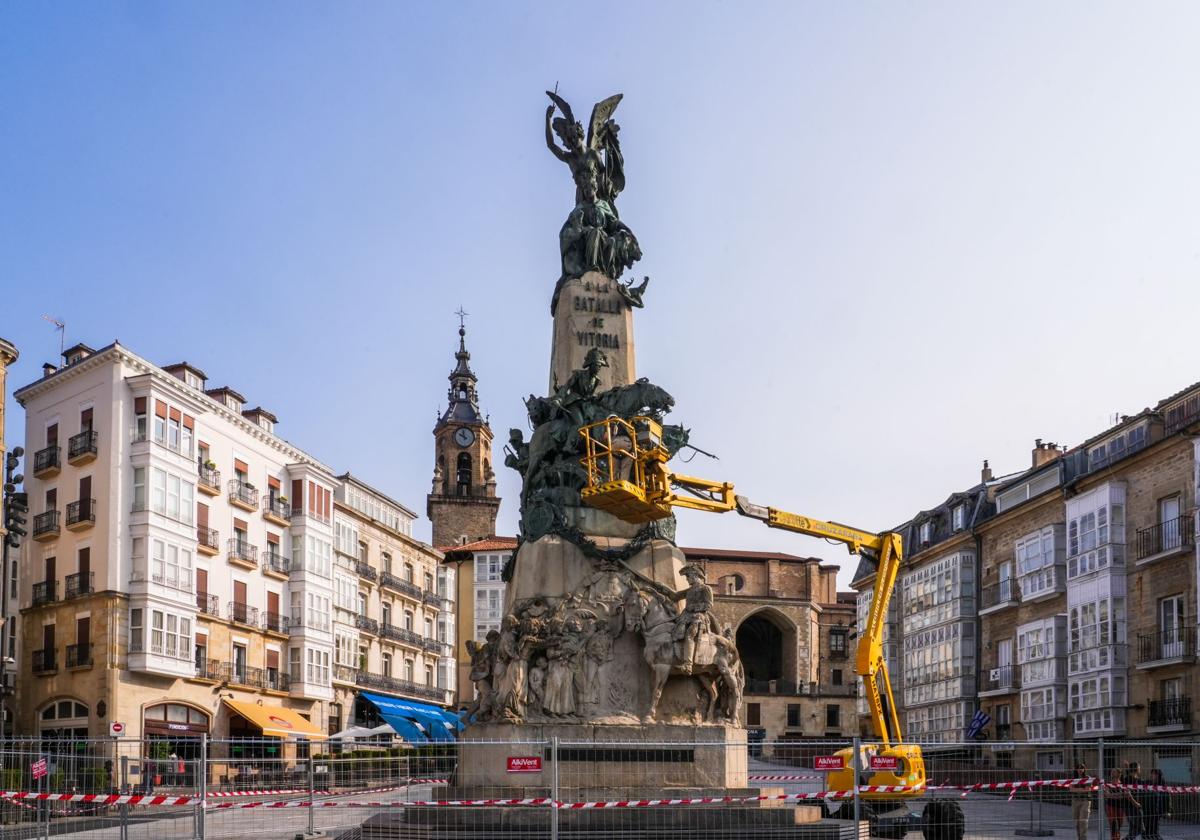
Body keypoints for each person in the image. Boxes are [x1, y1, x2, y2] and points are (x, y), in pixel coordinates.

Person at [1106, 766, 1140, 840]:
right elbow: (1107, 795)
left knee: (1119, 824)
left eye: (1114, 771)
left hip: (1120, 807)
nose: (1112, 773)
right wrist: (1121, 795)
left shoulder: (1122, 784)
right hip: (1110, 806)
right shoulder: (1108, 783)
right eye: (1112, 771)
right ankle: (1114, 838)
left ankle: (1117, 838)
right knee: (1114, 824)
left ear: (1119, 774)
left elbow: (1127, 794)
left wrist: (1135, 803)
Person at [1142, 769, 1170, 840]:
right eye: (1151, 773)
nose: (1152, 775)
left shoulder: (1162, 784)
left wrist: (1168, 810)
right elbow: (1136, 782)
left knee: (1154, 830)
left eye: (1154, 774)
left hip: (1156, 811)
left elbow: (1167, 798)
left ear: (1158, 775)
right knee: (1145, 830)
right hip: (1146, 810)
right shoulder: (1147, 782)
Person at [1069, 763, 1093, 840]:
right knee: (1077, 822)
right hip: (1075, 800)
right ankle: (1079, 838)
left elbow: (1087, 790)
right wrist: (1082, 790)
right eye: (1078, 768)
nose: (1080, 770)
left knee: (1083, 821)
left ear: (1084, 769)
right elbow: (1071, 789)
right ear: (1076, 769)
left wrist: (1077, 790)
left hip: (1085, 801)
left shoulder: (1087, 778)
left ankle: (1083, 838)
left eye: (1082, 768)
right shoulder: (1073, 778)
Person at [1124, 761, 1144, 840]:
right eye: (1139, 767)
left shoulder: (1138, 780)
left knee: (1132, 828)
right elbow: (1127, 793)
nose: (1140, 769)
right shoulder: (1128, 779)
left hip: (1132, 807)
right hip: (1133, 807)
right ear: (1136, 769)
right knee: (1140, 829)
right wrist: (1135, 803)